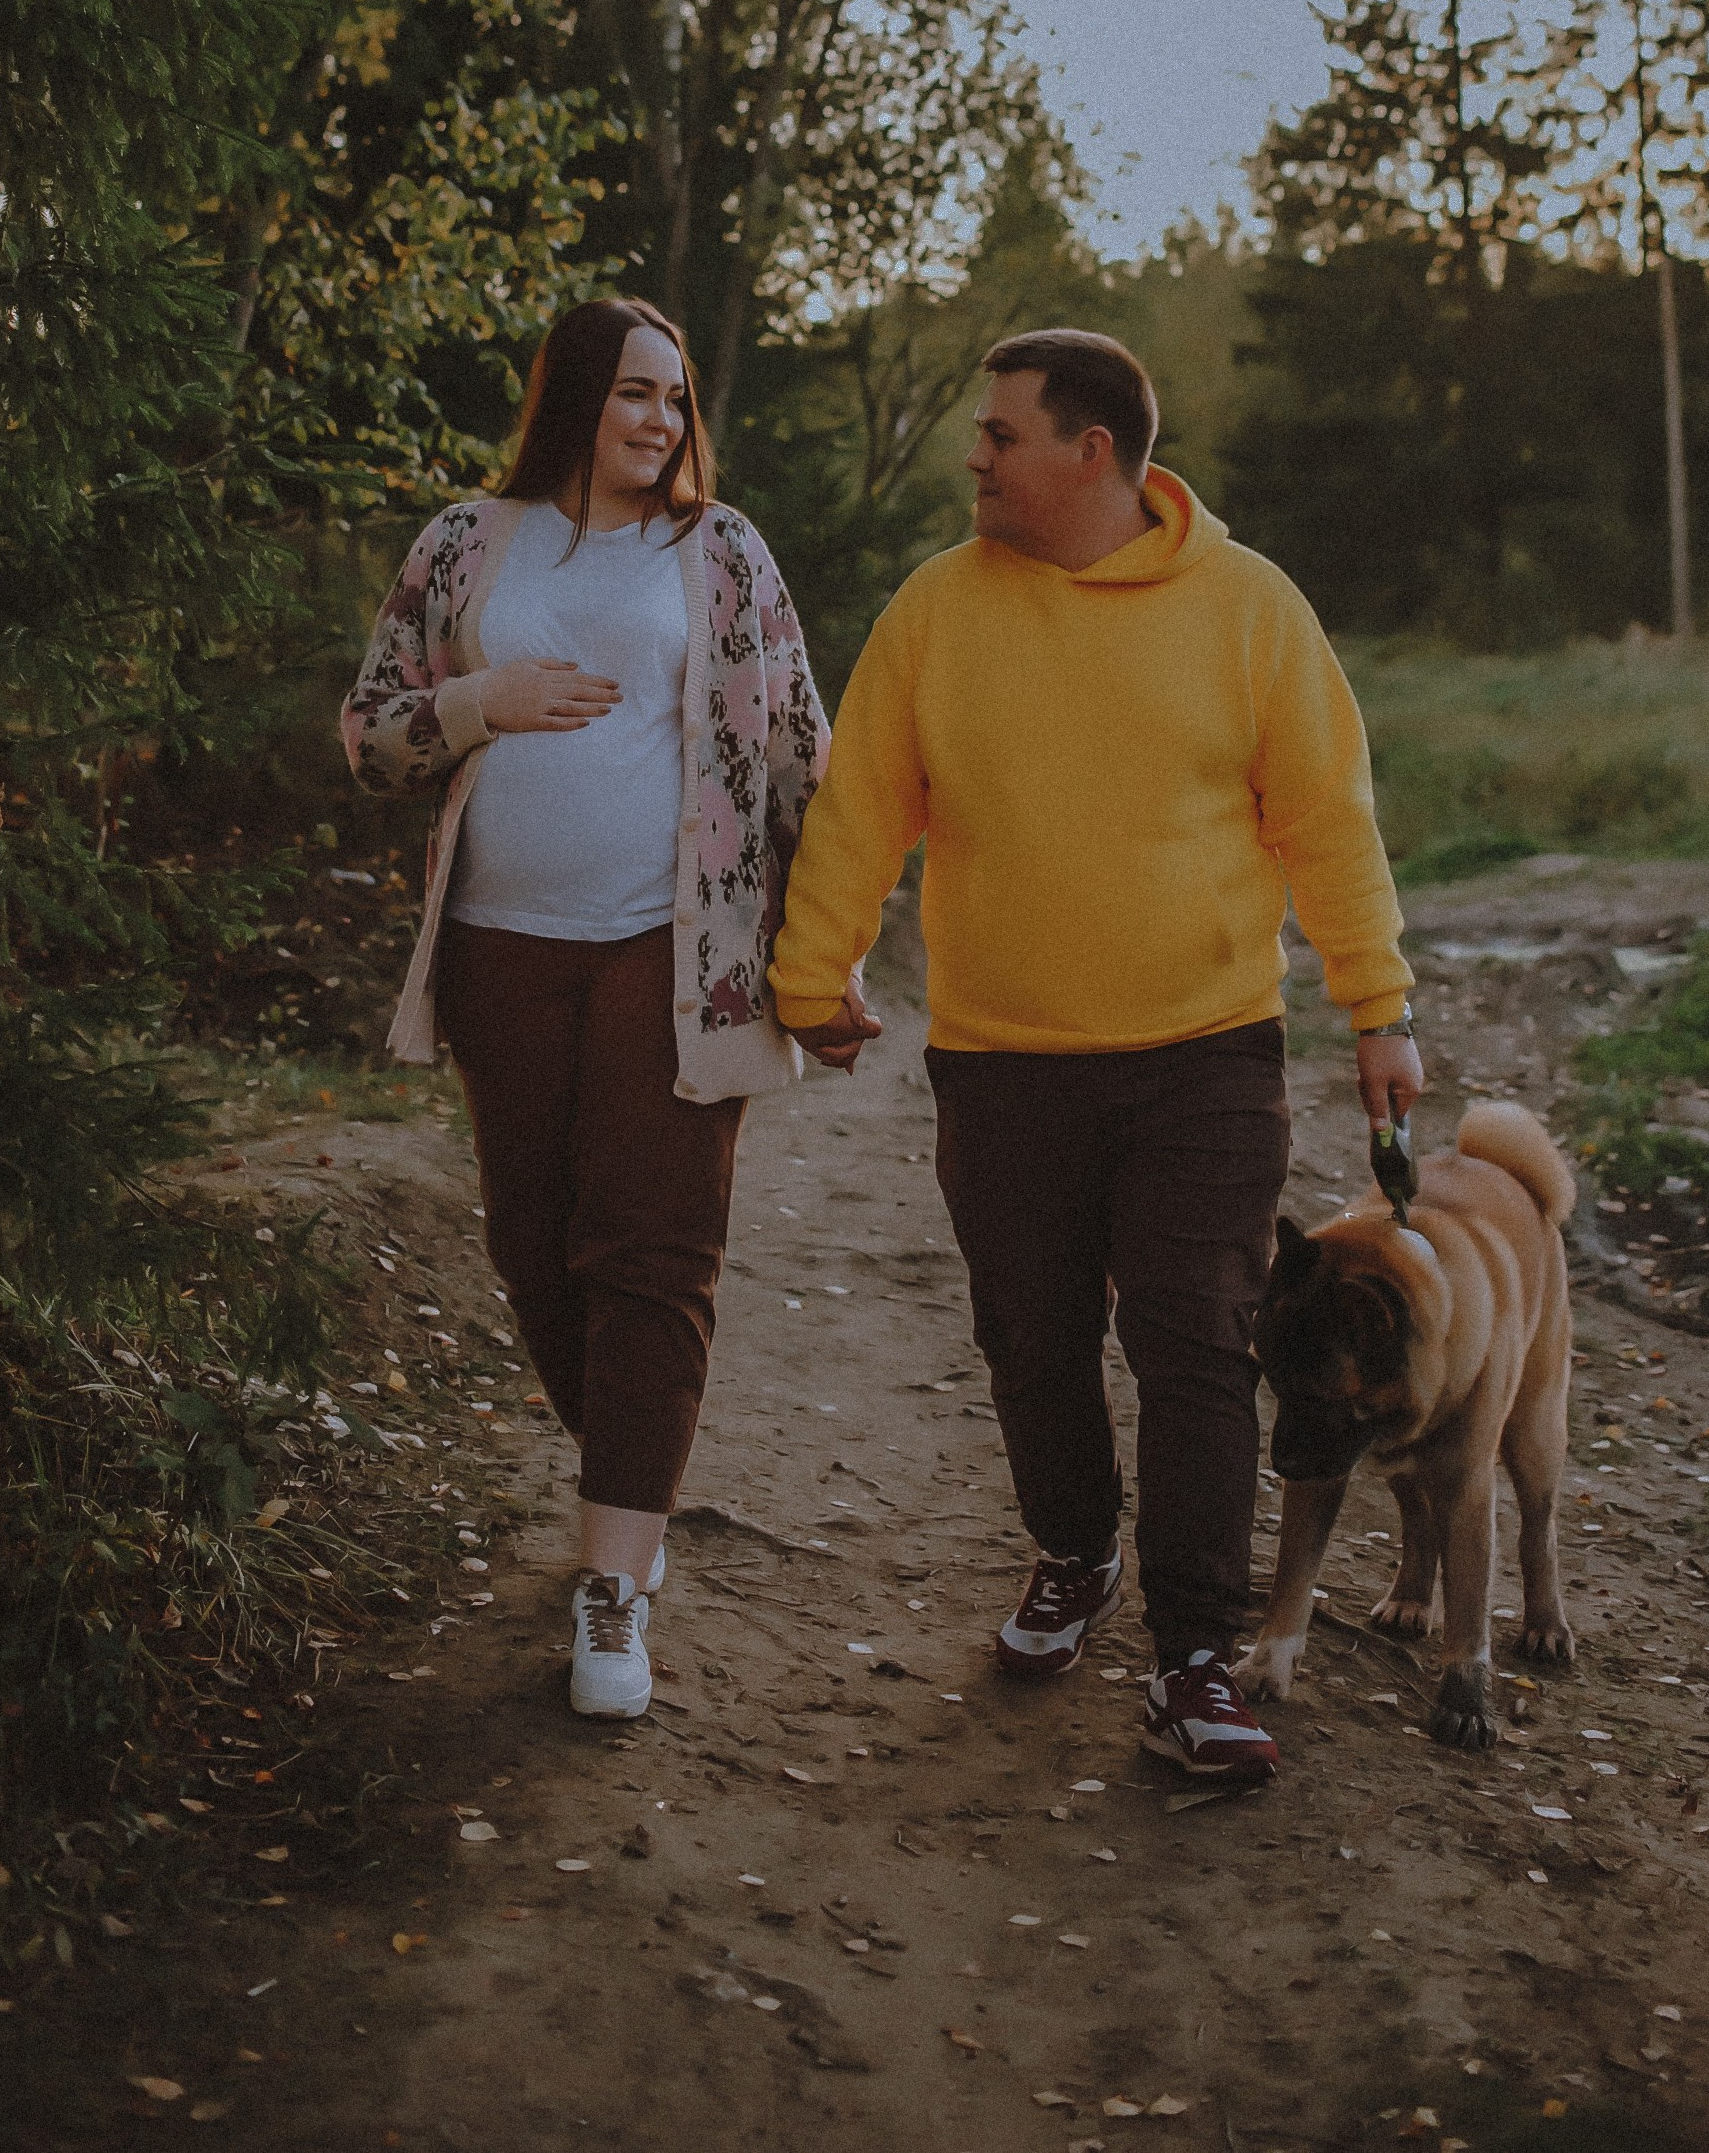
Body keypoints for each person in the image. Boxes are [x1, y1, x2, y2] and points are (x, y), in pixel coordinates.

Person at [767, 326, 1422, 1783]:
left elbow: (1329, 819)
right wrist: (811, 975)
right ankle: (1075, 1549)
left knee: (1195, 1339)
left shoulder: (1248, 608)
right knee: (1032, 1335)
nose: (975, 458)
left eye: (1000, 435)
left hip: (1205, 1054)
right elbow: (860, 809)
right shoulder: (937, 612)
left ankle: (1195, 1659)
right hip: (1003, 1060)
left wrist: (1378, 1007)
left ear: (1094, 453)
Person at [341, 297, 830, 1722]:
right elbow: (371, 736)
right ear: (570, 398)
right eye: (633, 394)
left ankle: (614, 1578)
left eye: (676, 400)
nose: (661, 422)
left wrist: (834, 947)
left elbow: (802, 755)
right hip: (499, 952)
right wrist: (481, 699)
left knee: (655, 1253)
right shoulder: (462, 543)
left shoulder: (720, 552)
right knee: (533, 1247)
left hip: (675, 954)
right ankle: (635, 1468)